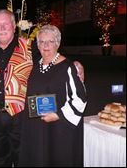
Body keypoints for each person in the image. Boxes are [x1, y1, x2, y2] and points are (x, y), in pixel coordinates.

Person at [0, 9, 85, 167]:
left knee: (23, 159)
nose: (2, 28)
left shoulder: (30, 46)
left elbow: (51, 52)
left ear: (14, 27)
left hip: (20, 117)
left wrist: (76, 64)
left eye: (6, 24)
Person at [18, 24, 87, 167]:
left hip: (58, 129)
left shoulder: (68, 67)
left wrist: (58, 115)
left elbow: (80, 98)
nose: (46, 45)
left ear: (58, 43)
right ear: (37, 44)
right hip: (36, 128)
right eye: (42, 41)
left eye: (50, 41)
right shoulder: (35, 67)